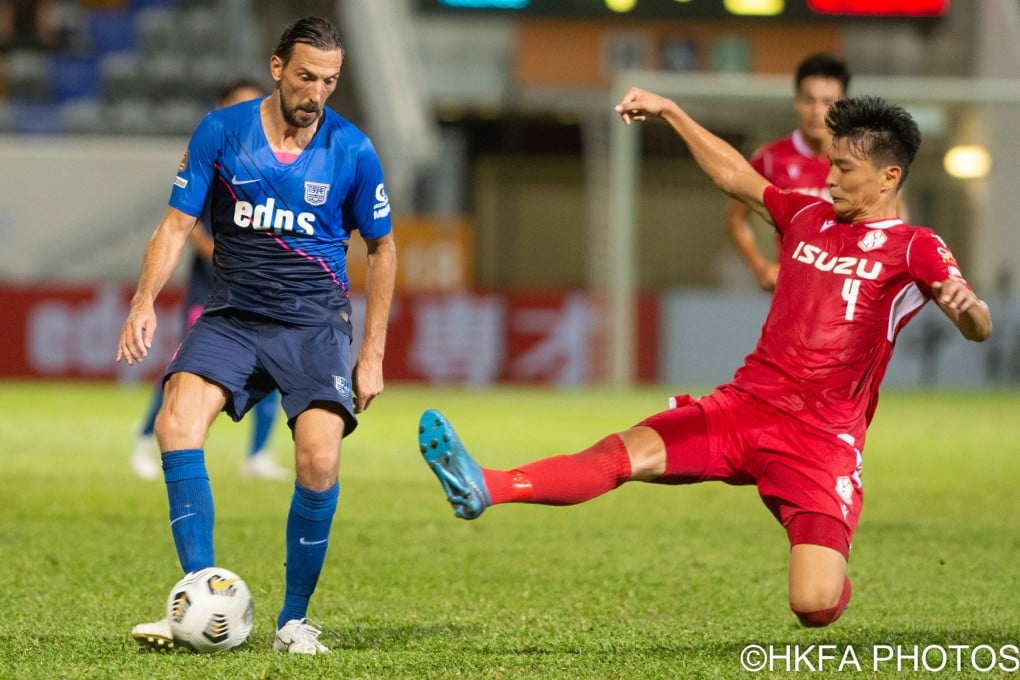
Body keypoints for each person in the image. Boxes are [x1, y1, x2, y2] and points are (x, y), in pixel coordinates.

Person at [418, 90, 991, 628]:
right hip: (743, 409)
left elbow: (976, 327)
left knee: (813, 605)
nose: (830, 177)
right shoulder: (807, 218)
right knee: (622, 453)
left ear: (889, 175)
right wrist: (671, 111)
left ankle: (833, 579)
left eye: (844, 168)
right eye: (830, 163)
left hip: (820, 445)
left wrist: (968, 309)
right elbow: (734, 176)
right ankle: (486, 485)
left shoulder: (915, 245)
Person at [116, 16, 397, 654]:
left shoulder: (353, 149)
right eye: (305, 77)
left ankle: (293, 621)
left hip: (314, 324)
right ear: (277, 70)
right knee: (176, 423)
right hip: (234, 317)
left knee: (320, 458)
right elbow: (174, 226)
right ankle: (199, 598)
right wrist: (143, 302)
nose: (316, 92)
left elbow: (384, 250)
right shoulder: (222, 132)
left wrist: (373, 352)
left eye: (329, 81)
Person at [130, 78, 289, 483]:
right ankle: (147, 435)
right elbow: (186, 224)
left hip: (261, 291)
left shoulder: (276, 163)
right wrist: (225, 257)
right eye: (238, 105)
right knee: (187, 370)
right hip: (213, 288)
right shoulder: (214, 156)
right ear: (220, 108)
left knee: (271, 367)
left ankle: (256, 454)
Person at [726, 54, 851, 291]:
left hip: (847, 289)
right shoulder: (772, 158)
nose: (816, 110)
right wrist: (759, 266)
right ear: (796, 101)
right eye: (809, 100)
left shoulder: (860, 158)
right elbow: (736, 220)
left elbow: (892, 213)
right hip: (794, 290)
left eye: (827, 101)